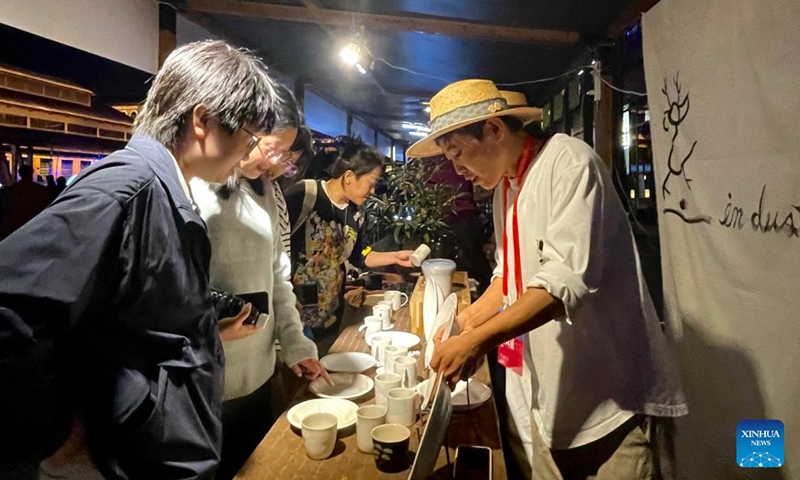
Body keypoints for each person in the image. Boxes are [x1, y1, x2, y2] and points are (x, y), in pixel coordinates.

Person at [0, 40, 278, 480]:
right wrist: (64, 432)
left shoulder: (164, 190)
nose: (247, 153)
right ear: (203, 120)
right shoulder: (129, 189)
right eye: (247, 137)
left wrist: (201, 338)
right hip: (120, 464)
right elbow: (8, 316)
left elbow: (126, 322)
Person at [409, 80, 687, 480]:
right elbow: (510, 276)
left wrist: (476, 341)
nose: (456, 169)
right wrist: (462, 325)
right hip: (548, 399)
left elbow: (562, 284)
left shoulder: (570, 163)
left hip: (608, 401)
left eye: (456, 153)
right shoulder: (506, 186)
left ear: (493, 129)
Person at [190, 84, 328, 480]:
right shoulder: (195, 185)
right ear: (247, 130)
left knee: (253, 465)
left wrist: (297, 344)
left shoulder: (271, 194)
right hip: (205, 371)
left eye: (286, 157)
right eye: (272, 149)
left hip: (259, 367)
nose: (277, 164)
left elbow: (278, 278)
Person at [285, 138, 413, 340]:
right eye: (370, 184)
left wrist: (395, 257)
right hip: (294, 315)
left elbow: (359, 256)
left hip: (331, 315)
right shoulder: (306, 195)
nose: (372, 192)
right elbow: (273, 247)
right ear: (349, 176)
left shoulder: (357, 214)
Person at [0, 164, 52, 240]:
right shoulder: (41, 191)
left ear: (20, 174)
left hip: (13, 228)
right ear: (32, 173)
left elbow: (4, 208)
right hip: (34, 228)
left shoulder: (11, 190)